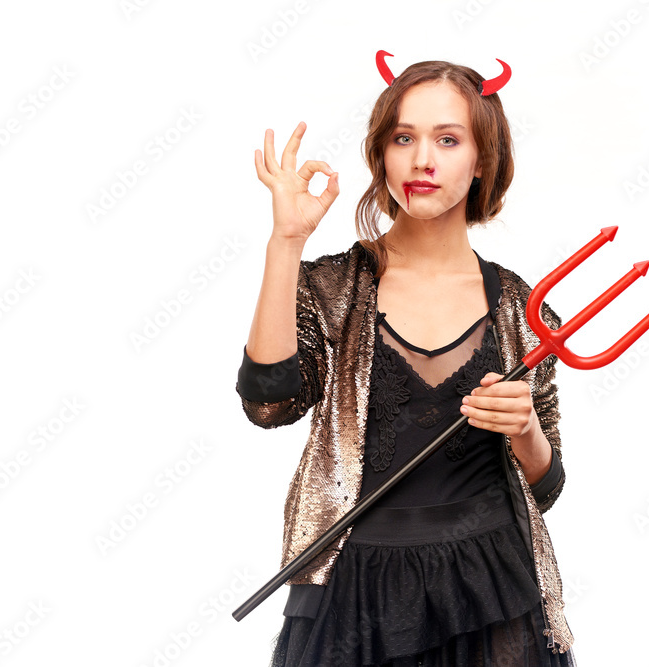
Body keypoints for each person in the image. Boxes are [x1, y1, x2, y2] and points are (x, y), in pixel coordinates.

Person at [237, 52, 578, 666]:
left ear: (482, 159)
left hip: (492, 589)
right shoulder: (331, 289)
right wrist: (286, 243)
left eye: (448, 139)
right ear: (382, 155)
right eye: (403, 138)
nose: (423, 160)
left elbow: (546, 487)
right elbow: (269, 405)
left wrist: (525, 427)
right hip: (354, 591)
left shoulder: (522, 311)